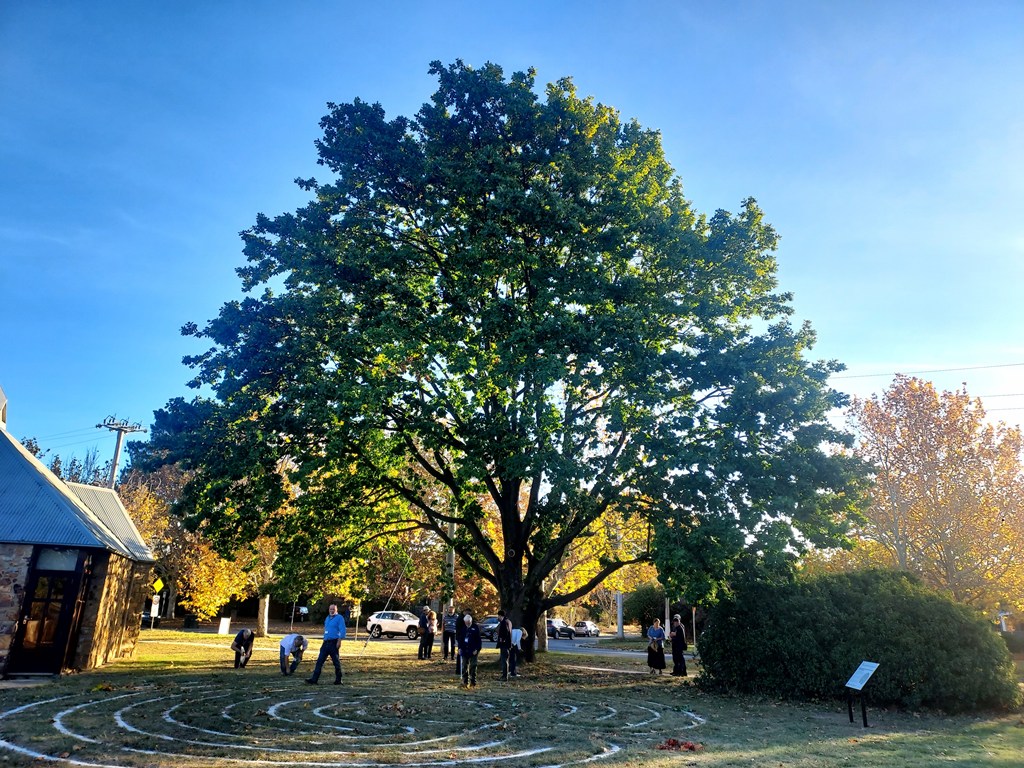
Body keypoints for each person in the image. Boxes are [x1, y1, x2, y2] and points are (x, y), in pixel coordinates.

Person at [306, 603, 346, 685]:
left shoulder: (339, 618)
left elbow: (342, 630)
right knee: (319, 661)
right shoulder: (327, 618)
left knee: (336, 662)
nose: (331, 611)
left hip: (333, 643)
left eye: (333, 609)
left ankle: (338, 680)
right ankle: (314, 679)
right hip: (325, 643)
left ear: (336, 610)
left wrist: (339, 640)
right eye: (330, 609)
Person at [458, 613, 482, 687]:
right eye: (466, 623)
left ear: (470, 621)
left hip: (473, 650)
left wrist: (477, 649)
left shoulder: (475, 628)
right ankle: (465, 681)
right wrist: (459, 648)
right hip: (465, 650)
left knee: (473, 666)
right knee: (464, 665)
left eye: (468, 623)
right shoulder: (463, 628)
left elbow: (479, 640)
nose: (467, 624)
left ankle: (473, 682)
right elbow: (460, 639)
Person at [495, 609, 513, 681]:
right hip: (507, 644)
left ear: (500, 615)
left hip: (504, 644)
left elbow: (506, 631)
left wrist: (502, 639)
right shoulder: (508, 621)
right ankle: (505, 675)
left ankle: (504, 676)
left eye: (498, 616)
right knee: (505, 660)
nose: (497, 617)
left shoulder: (504, 622)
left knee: (504, 660)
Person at [455, 608, 467, 677]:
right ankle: (459, 669)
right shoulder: (461, 619)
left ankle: (460, 669)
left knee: (461, 653)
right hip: (461, 638)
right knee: (460, 653)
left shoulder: (461, 618)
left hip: (460, 637)